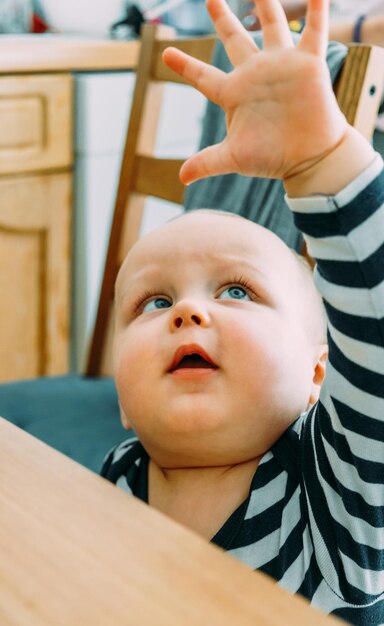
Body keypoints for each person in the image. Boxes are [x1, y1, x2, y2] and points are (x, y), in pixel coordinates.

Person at [101, 0, 384, 622]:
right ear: (121, 399)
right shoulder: (119, 477)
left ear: (318, 373)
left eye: (236, 291)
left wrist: (321, 161)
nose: (188, 313)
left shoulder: (338, 498)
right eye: (155, 301)